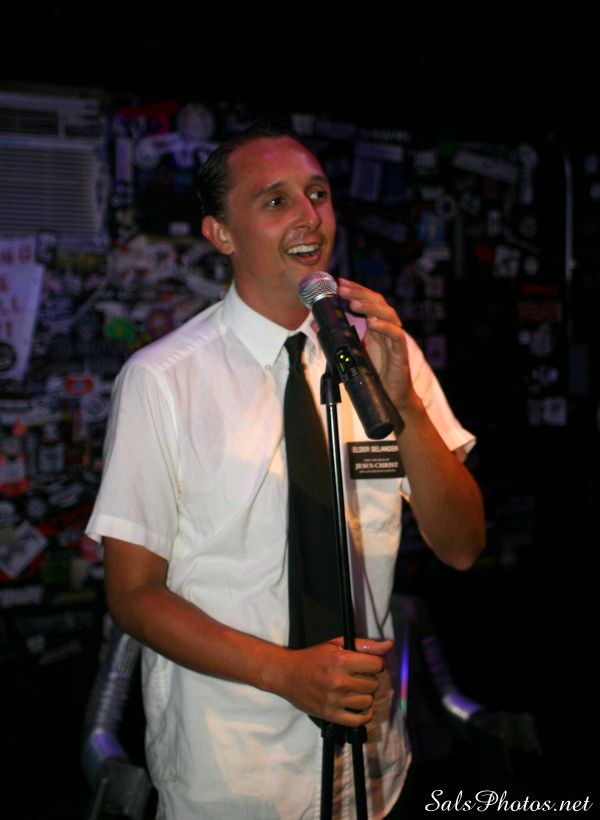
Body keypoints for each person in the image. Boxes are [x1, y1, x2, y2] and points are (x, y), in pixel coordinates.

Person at [85, 123, 485, 819]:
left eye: (318, 195)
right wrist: (288, 674)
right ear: (221, 233)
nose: (309, 216)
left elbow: (462, 546)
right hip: (229, 772)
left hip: (370, 767)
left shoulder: (384, 352)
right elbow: (133, 593)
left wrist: (408, 410)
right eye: (275, 201)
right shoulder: (163, 379)